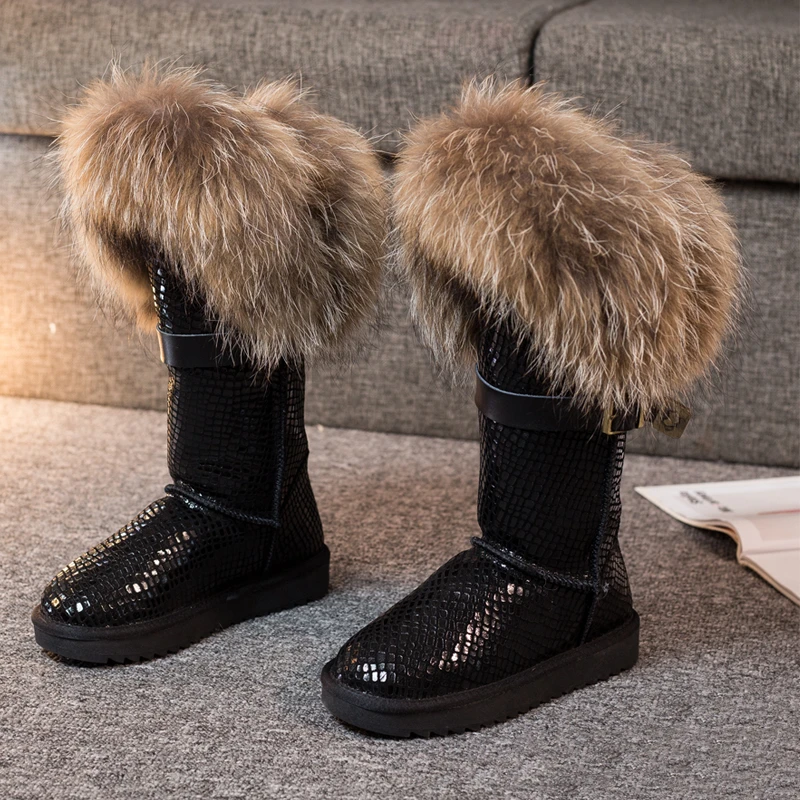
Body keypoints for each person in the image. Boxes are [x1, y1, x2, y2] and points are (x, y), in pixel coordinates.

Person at [33, 68, 740, 738]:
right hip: (246, 519)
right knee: (192, 195)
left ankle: (557, 581)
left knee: (543, 251)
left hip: (556, 573)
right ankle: (241, 516)